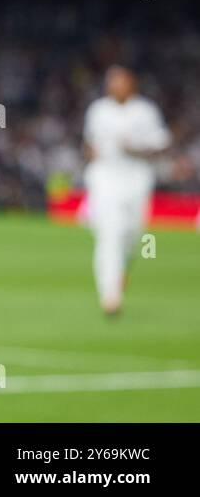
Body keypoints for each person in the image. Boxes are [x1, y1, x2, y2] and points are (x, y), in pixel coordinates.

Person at [83, 66, 170, 315]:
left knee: (132, 235)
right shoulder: (98, 110)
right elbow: (89, 143)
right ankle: (110, 295)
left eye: (120, 82)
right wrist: (92, 153)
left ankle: (121, 269)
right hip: (105, 176)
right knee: (110, 233)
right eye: (112, 82)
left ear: (132, 85)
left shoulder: (145, 111)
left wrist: (136, 149)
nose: (115, 86)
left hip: (136, 178)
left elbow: (161, 145)